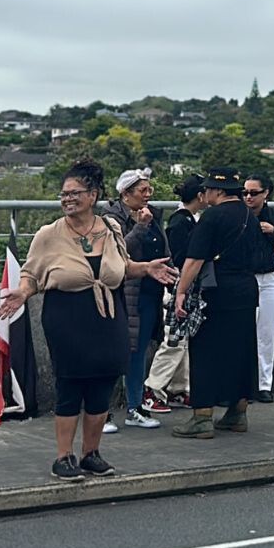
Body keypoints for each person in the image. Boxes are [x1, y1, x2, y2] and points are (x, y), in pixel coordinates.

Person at [0, 159, 170, 480]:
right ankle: (64, 457)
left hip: (109, 315)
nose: (67, 199)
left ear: (93, 195)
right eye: (63, 194)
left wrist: (145, 268)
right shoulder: (49, 234)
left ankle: (92, 453)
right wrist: (22, 293)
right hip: (67, 317)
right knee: (70, 386)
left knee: (102, 385)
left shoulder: (112, 228)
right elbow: (32, 274)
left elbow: (122, 266)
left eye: (74, 193)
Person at [170, 167, 265, 438]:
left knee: (206, 351)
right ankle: (237, 412)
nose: (205, 193)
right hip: (246, 290)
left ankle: (202, 416)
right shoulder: (250, 216)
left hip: (216, 291)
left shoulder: (212, 216)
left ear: (218, 192)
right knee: (241, 350)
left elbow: (194, 259)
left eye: (208, 189)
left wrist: (181, 291)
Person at [100, 168, 178, 430]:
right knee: (115, 353)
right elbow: (120, 252)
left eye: (149, 190)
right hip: (124, 294)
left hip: (149, 293)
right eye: (142, 191)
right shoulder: (111, 218)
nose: (147, 195)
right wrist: (141, 226)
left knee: (139, 353)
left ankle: (135, 407)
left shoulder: (153, 214)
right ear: (125, 194)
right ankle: (102, 412)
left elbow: (164, 248)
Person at [140, 174, 206, 413]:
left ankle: (177, 388)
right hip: (177, 288)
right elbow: (181, 258)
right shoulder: (181, 223)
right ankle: (153, 388)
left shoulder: (186, 220)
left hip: (181, 288)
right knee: (174, 342)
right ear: (200, 196)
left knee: (182, 342)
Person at [243, 173, 274, 404]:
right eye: (245, 193)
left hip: (269, 277)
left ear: (265, 193)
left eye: (253, 193)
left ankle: (264, 384)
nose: (249, 197)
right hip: (246, 277)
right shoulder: (240, 217)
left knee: (267, 334)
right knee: (244, 333)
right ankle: (244, 385)